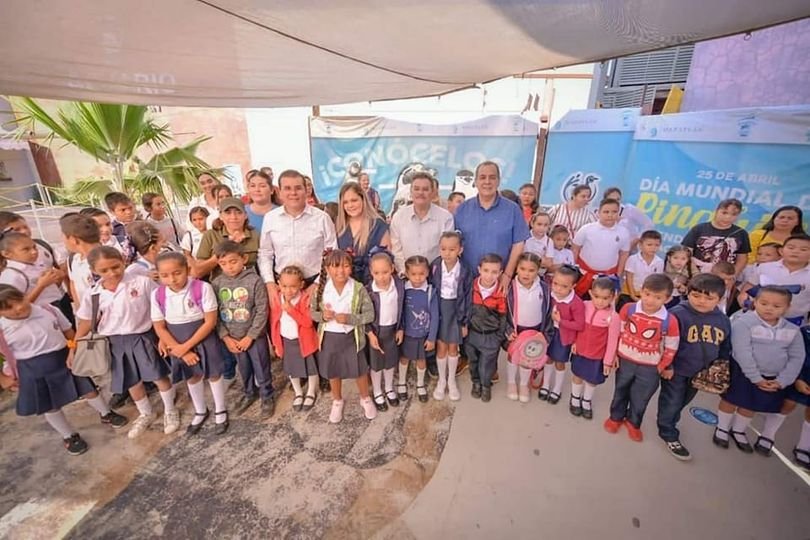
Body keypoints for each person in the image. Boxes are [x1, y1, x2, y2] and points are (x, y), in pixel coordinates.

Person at [0, 285, 127, 455]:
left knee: (89, 389)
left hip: (63, 358)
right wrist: (3, 378)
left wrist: (73, 349)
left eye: (19, 301)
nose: (18, 308)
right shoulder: (2, 329)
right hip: (31, 368)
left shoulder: (46, 310)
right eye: (8, 308)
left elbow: (68, 330)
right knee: (50, 405)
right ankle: (69, 436)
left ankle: (106, 413)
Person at [74, 246, 178, 439]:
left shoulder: (141, 283)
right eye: (104, 270)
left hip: (143, 336)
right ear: (94, 271)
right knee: (131, 380)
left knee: (158, 375)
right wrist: (74, 345)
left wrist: (163, 337)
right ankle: (146, 413)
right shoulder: (94, 293)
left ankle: (170, 410)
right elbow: (87, 320)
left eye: (116, 267)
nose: (112, 273)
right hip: (115, 342)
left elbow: (160, 308)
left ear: (123, 261)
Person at [713, 286, 804, 453]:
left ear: (787, 308)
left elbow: (797, 358)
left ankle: (739, 430)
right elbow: (742, 352)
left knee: (751, 404)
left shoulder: (793, 331)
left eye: (777, 306)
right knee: (731, 400)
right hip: (744, 372)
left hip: (773, 377)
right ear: (755, 302)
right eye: (764, 303)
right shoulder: (744, 323)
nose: (769, 308)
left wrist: (782, 381)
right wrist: (755, 377)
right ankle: (722, 427)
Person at [655, 274, 730, 461]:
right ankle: (668, 432)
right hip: (677, 369)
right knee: (671, 400)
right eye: (696, 295)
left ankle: (670, 420)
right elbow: (665, 343)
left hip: (700, 373)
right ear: (688, 293)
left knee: (683, 400)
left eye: (709, 298)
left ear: (719, 299)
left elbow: (725, 346)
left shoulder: (722, 320)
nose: (702, 301)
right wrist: (667, 365)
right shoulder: (677, 314)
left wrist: (719, 366)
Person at [150, 252, 226, 435]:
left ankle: (220, 409)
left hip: (203, 336)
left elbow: (209, 321)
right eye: (165, 275)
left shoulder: (202, 288)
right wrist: (181, 351)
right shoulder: (157, 294)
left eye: (177, 273)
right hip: (176, 340)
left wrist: (185, 347)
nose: (172, 279)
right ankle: (200, 410)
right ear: (158, 275)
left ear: (187, 270)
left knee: (213, 374)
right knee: (192, 376)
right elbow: (159, 326)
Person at [604, 274, 680, 442]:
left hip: (650, 366)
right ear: (641, 291)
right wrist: (615, 354)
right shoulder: (628, 309)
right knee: (620, 390)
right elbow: (618, 332)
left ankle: (633, 422)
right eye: (647, 294)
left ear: (667, 299)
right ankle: (615, 417)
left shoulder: (670, 320)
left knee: (641, 397)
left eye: (657, 297)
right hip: (625, 360)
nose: (650, 300)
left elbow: (671, 346)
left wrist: (662, 366)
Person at [310, 249, 376, 423]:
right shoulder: (320, 290)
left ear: (351, 268)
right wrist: (322, 316)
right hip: (330, 338)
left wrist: (350, 318)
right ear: (327, 268)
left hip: (351, 338)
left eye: (346, 266)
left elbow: (369, 315)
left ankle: (365, 398)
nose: (341, 271)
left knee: (359, 370)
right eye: (335, 267)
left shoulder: (358, 288)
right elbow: (312, 313)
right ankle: (337, 400)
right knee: (334, 371)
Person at [212, 241, 275, 421]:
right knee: (244, 368)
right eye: (223, 263)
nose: (229, 267)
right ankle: (249, 393)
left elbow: (263, 310)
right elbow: (214, 314)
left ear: (243, 258)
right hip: (233, 338)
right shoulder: (216, 283)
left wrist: (251, 336)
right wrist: (226, 337)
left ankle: (267, 396)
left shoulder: (254, 281)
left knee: (261, 368)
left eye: (233, 261)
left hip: (254, 338)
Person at [455, 161, 530, 295]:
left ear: (499, 181)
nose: (487, 181)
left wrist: (507, 275)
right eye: (482, 177)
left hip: (500, 284)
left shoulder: (513, 210)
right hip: (467, 284)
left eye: (492, 177)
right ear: (476, 181)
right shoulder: (462, 210)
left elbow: (519, 244)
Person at [259, 170, 337, 293]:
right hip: (282, 286)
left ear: (306, 190)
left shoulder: (322, 218)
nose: (293, 193)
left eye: (298, 188)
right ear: (280, 192)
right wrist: (269, 283)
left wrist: (318, 284)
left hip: (316, 284)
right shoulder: (270, 218)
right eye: (287, 188)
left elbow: (332, 255)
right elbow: (265, 253)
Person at [569, 277, 621, 419]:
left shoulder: (614, 317)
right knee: (577, 375)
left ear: (613, 297)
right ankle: (574, 398)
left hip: (597, 355)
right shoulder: (584, 305)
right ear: (591, 293)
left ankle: (586, 400)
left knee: (592, 379)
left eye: (605, 298)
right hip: (580, 351)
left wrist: (608, 361)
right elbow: (577, 326)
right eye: (596, 296)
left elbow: (612, 341)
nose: (600, 301)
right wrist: (574, 342)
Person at [505, 252, 552, 403]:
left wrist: (545, 333)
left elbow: (549, 310)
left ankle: (524, 384)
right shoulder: (510, 288)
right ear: (516, 268)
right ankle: (512, 382)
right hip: (516, 329)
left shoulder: (544, 288)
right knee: (514, 357)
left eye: (531, 270)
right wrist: (508, 329)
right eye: (522, 268)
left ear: (538, 270)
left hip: (535, 329)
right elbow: (503, 311)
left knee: (529, 358)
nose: (526, 273)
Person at [429, 231, 471, 401]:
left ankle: (452, 380)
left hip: (456, 310)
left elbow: (468, 297)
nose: (447, 253)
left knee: (453, 348)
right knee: (441, 347)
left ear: (460, 250)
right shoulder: (435, 266)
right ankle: (442, 380)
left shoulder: (465, 269)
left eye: (452, 249)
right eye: (444, 249)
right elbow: (430, 291)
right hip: (439, 310)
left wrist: (465, 321)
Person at [271, 265, 319, 412]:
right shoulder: (277, 299)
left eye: (293, 286)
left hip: (304, 340)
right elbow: (273, 322)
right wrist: (275, 343)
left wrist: (291, 310)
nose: (288, 290)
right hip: (287, 340)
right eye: (284, 286)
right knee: (292, 369)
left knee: (311, 368)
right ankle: (298, 392)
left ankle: (311, 391)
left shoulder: (305, 298)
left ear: (301, 284)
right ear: (279, 284)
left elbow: (308, 322)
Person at [389, 172, 455, 276]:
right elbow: (396, 250)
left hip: (436, 277)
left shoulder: (446, 218)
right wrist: (406, 272)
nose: (420, 192)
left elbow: (449, 250)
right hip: (406, 278)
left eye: (425, 189)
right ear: (411, 192)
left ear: (433, 192)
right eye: (416, 189)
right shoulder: (399, 217)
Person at [0, 232, 71, 324]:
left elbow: (51, 289)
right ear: (7, 254)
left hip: (59, 304)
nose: (34, 252)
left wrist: (59, 278)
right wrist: (41, 286)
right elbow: (18, 306)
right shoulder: (12, 275)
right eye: (26, 249)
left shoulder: (38, 264)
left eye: (34, 247)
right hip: (41, 312)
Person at [740, 234, 810, 326]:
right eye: (791, 248)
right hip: (758, 320)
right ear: (781, 250)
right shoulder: (765, 267)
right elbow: (747, 290)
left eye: (803, 249)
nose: (796, 252)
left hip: (795, 323)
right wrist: (745, 302)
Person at [540, 265, 585, 404]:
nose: (558, 288)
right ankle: (545, 385)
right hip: (549, 332)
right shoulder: (549, 293)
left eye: (564, 286)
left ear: (573, 286)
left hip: (563, 336)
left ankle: (557, 388)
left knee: (559, 362)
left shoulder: (576, 303)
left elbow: (579, 324)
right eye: (555, 284)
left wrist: (561, 321)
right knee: (547, 358)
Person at [466, 253, 508, 403]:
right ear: (479, 269)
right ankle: (476, 382)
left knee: (487, 364)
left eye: (494, 272)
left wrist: (499, 337)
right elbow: (464, 308)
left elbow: (503, 316)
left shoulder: (501, 292)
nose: (489, 276)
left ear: (500, 273)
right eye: (486, 270)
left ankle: (485, 385)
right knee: (473, 361)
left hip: (491, 336)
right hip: (472, 334)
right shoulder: (471, 287)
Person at [366, 252, 405, 410]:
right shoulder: (369, 291)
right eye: (376, 273)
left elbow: (402, 309)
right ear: (371, 272)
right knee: (377, 364)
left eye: (385, 272)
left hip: (392, 330)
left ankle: (388, 388)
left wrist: (401, 328)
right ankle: (377, 391)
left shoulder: (399, 286)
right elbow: (363, 314)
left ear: (392, 269)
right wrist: (369, 333)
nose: (381, 277)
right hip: (376, 332)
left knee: (390, 362)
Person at [398, 255, 439, 403]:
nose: (417, 278)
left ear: (427, 272)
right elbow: (399, 312)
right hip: (407, 334)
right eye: (413, 274)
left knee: (422, 360)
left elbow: (435, 316)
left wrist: (432, 338)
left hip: (423, 334)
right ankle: (401, 383)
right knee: (404, 358)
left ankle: (420, 384)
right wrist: (400, 329)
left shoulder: (430, 291)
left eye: (421, 273)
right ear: (407, 274)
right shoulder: (403, 289)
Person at [571, 198, 630, 297]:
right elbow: (575, 248)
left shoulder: (623, 232)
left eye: (614, 212)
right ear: (598, 212)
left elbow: (624, 254)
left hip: (608, 277)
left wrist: (618, 274)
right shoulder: (587, 229)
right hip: (584, 274)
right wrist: (573, 270)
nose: (610, 215)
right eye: (606, 212)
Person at [194, 198, 260, 282]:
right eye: (228, 213)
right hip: (220, 288)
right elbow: (198, 272)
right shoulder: (210, 235)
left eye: (238, 212)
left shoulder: (255, 235)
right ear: (221, 216)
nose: (233, 217)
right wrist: (225, 250)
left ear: (245, 215)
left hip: (251, 286)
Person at [336, 182, 390, 283]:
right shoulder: (339, 228)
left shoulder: (378, 225)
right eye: (345, 202)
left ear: (363, 199)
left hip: (373, 284)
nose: (350, 205)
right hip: (346, 285)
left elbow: (386, 259)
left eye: (354, 200)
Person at [682, 198, 751, 276]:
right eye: (724, 213)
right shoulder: (699, 229)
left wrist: (732, 277)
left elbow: (742, 259)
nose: (728, 217)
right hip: (697, 276)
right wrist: (695, 274)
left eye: (733, 214)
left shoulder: (741, 233)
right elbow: (686, 253)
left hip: (724, 278)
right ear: (716, 211)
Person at [778, 326, 810, 469]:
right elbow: (795, 356)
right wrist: (798, 378)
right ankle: (768, 434)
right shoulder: (804, 333)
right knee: (788, 404)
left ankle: (804, 446)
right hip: (801, 375)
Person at [61, 215, 101, 309]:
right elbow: (74, 286)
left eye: (63, 236)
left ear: (73, 240)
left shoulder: (105, 260)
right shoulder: (73, 259)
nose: (62, 240)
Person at [622, 230, 664, 306]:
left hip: (646, 295)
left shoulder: (659, 262)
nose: (653, 248)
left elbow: (656, 281)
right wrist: (632, 295)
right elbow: (629, 278)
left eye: (656, 245)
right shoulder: (633, 259)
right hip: (628, 293)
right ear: (640, 245)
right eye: (649, 245)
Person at [663, 244, 695, 309]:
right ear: (669, 257)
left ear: (688, 260)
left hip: (677, 299)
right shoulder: (662, 267)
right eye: (675, 258)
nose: (679, 261)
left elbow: (691, 289)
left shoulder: (689, 271)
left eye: (683, 259)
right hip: (661, 297)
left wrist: (684, 290)